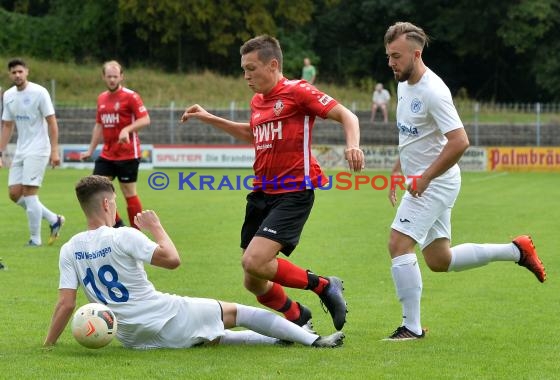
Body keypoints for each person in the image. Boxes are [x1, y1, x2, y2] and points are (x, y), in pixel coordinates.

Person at [180, 35, 364, 332]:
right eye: (243, 69)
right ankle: (298, 317)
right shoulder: (257, 101)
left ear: (273, 64)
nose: (246, 76)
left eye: (251, 68)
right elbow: (252, 134)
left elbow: (347, 115)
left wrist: (353, 145)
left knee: (254, 261)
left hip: (294, 191)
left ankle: (326, 286)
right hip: (262, 193)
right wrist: (207, 117)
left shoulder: (298, 91)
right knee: (253, 279)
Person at [43, 175, 344, 349]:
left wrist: (48, 346)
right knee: (240, 312)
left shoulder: (70, 249)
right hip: (165, 314)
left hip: (131, 336)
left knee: (216, 336)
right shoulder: (123, 237)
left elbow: (66, 305)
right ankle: (315, 341)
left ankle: (282, 340)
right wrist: (156, 227)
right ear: (108, 203)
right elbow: (173, 260)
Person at [383, 21, 546, 341]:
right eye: (388, 56)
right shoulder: (402, 84)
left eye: (397, 56)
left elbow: (459, 141)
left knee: (398, 243)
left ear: (417, 54)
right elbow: (411, 134)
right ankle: (516, 251)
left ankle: (411, 328)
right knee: (439, 260)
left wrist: (426, 178)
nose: (391, 63)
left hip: (436, 183)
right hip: (427, 181)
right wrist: (397, 167)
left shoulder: (434, 91)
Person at [0, 58, 65, 246]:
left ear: (27, 72)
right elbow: (7, 126)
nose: (17, 75)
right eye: (13, 72)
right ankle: (54, 219)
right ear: (9, 74)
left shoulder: (39, 92)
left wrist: (54, 151)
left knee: (29, 193)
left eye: (20, 71)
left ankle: (35, 240)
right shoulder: (9, 95)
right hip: (21, 150)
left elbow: (52, 122)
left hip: (39, 149)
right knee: (14, 193)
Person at [80, 60, 150, 229]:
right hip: (107, 154)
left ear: (121, 77)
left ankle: (136, 232)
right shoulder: (101, 98)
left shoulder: (131, 96)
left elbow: (145, 119)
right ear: (103, 77)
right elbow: (99, 125)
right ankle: (118, 227)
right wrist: (90, 149)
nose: (112, 79)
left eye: (115, 76)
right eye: (109, 76)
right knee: (96, 189)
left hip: (128, 154)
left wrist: (127, 129)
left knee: (128, 192)